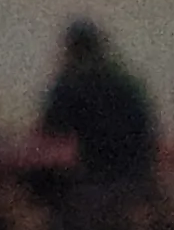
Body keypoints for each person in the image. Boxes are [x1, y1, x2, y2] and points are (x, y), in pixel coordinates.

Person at [40, 19, 161, 205]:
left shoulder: (70, 84)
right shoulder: (128, 82)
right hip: (137, 182)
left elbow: (50, 130)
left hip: (91, 183)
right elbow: (150, 132)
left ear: (70, 50)